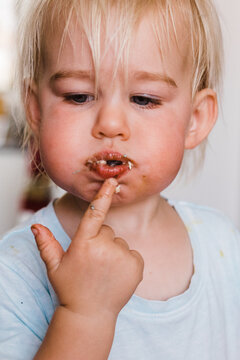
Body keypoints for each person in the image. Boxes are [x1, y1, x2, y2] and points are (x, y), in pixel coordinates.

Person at [0, 0, 239, 359]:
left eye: (144, 99)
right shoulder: (15, 269)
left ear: (195, 119)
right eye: (78, 96)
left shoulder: (222, 241)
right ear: (35, 110)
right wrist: (84, 313)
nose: (110, 124)